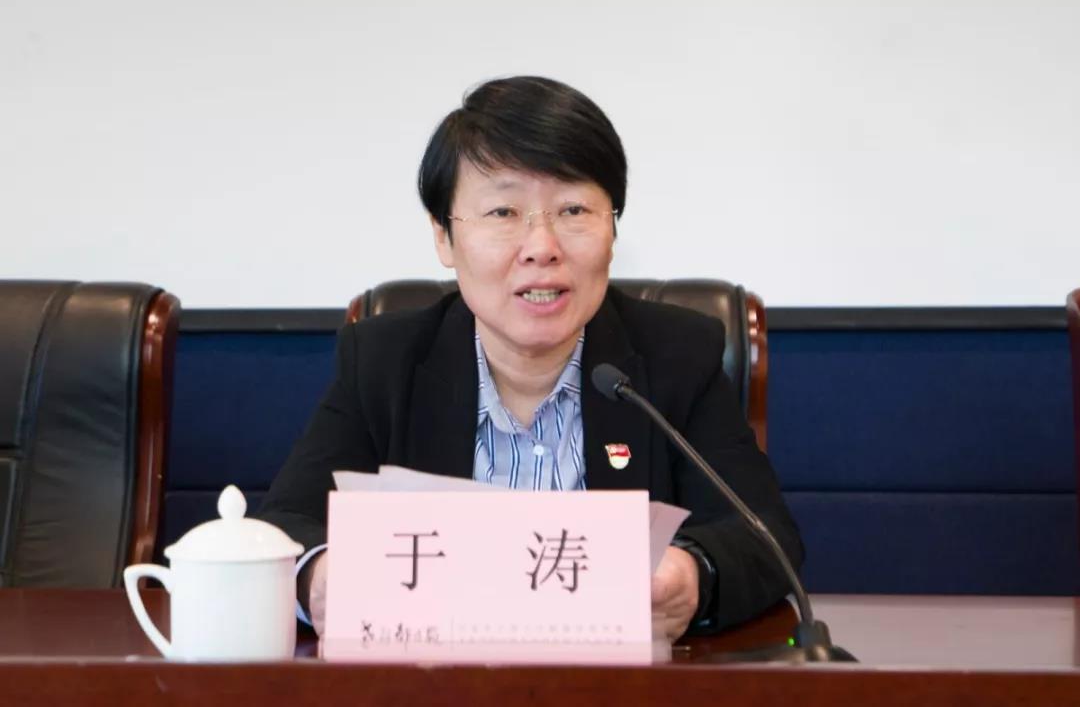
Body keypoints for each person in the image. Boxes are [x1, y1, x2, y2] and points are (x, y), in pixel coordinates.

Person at [259, 75, 803, 641]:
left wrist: (692, 575)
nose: (542, 248)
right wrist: (317, 577)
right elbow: (284, 525)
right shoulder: (384, 362)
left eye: (574, 210)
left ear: (612, 229)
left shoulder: (675, 357)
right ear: (444, 237)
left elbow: (764, 536)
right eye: (503, 212)